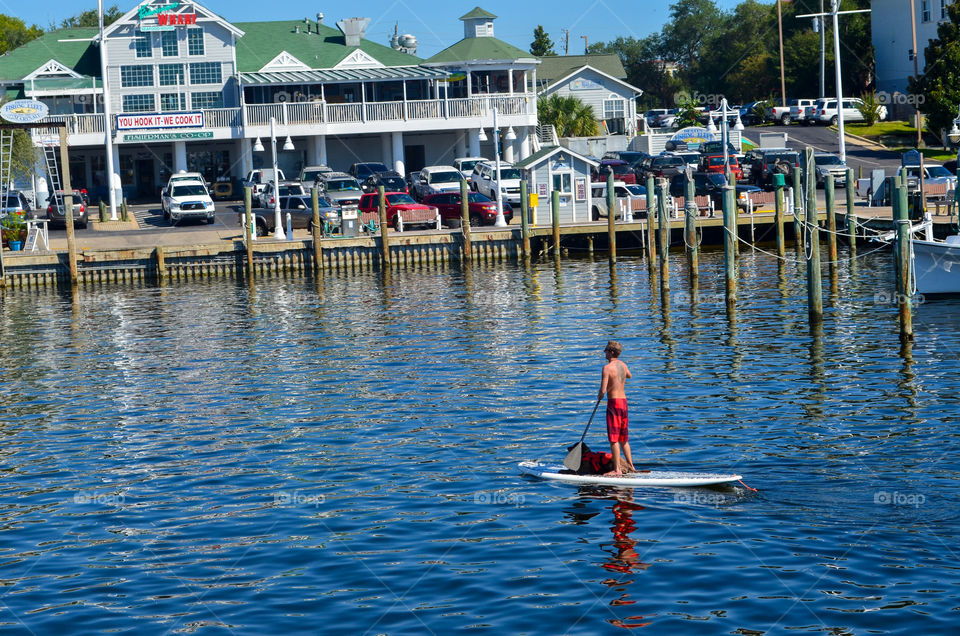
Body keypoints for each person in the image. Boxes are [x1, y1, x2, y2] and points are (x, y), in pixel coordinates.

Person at [598, 340, 635, 476]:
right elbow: (629, 375)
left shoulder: (607, 368)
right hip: (624, 403)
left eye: (606, 350)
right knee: (623, 438)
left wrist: (600, 396)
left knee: (613, 439)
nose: (604, 352)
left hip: (613, 404)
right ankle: (631, 466)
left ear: (611, 352)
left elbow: (602, 391)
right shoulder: (623, 365)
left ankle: (617, 469)